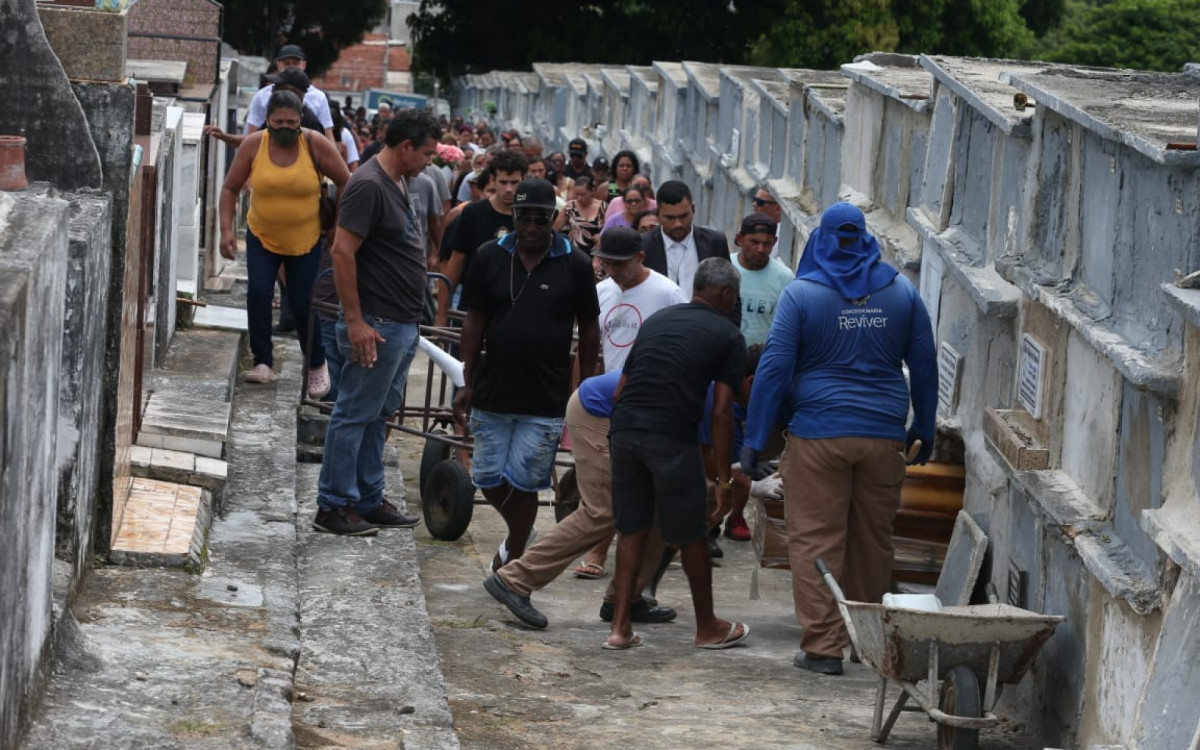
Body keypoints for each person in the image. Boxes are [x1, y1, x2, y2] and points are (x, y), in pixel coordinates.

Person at [741, 201, 938, 674]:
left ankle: (823, 648)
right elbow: (925, 364)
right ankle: (868, 646)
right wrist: (924, 427)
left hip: (819, 435)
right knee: (873, 540)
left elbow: (774, 369)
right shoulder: (902, 292)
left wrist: (754, 438)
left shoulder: (802, 295)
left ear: (822, 240)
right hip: (884, 435)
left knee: (816, 539)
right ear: (866, 238)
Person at [453, 178, 601, 571]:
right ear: (514, 216)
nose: (532, 227)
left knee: (525, 480)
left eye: (540, 219)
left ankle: (514, 551)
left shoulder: (576, 263)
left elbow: (589, 327)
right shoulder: (489, 256)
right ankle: (521, 535)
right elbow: (474, 319)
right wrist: (465, 379)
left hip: (546, 393)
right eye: (524, 218)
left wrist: (585, 384)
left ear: (554, 218)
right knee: (487, 478)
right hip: (493, 387)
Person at [605, 258, 750, 651]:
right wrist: (723, 480)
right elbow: (722, 412)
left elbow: (619, 391)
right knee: (693, 534)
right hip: (669, 435)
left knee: (632, 528)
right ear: (727, 295)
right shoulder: (729, 335)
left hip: (625, 429)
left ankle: (619, 628)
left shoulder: (658, 320)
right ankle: (708, 628)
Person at [312, 108, 443, 536]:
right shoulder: (369, 185)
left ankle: (368, 498)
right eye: (426, 153)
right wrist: (355, 321)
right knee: (353, 413)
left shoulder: (399, 181)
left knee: (378, 413)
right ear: (405, 147)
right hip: (376, 321)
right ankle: (333, 504)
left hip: (401, 321)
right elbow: (342, 252)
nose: (429, 162)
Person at [482, 370, 678, 630]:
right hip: (598, 411)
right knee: (603, 510)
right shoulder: (715, 396)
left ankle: (626, 598)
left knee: (658, 505)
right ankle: (514, 579)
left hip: (633, 418)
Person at [571, 226, 686, 581]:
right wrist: (579, 390)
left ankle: (654, 549)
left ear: (640, 258)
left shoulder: (668, 293)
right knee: (608, 481)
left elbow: (686, 344)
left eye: (620, 264)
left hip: (653, 401)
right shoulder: (601, 292)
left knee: (644, 482)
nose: (613, 271)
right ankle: (599, 549)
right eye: (607, 263)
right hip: (608, 399)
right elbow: (589, 344)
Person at [217, 89, 349, 397]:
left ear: (301, 120)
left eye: (291, 122)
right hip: (262, 235)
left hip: (305, 240)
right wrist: (226, 230)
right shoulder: (254, 145)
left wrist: (338, 226)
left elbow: (346, 181)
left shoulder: (315, 144)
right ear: (267, 120)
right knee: (259, 292)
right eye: (278, 122)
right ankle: (262, 360)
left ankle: (316, 361)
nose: (285, 128)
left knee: (302, 302)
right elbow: (229, 188)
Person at [436, 149, 528, 326]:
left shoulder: (529, 217)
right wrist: (441, 314)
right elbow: (455, 264)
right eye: (503, 182)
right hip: (473, 306)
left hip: (514, 309)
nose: (509, 189)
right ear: (493, 179)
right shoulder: (473, 213)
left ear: (523, 180)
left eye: (514, 182)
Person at [641, 180, 730, 298]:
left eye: (684, 216)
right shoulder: (643, 246)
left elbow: (729, 291)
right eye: (670, 218)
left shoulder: (715, 243)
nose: (678, 224)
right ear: (657, 213)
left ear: (693, 209)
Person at [244, 46, 334, 141]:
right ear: (278, 65)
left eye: (296, 63)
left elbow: (327, 135)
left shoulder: (318, 98)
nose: (291, 67)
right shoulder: (261, 96)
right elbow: (252, 134)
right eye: (286, 63)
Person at [732, 213, 793, 347]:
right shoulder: (724, 266)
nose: (760, 249)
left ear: (775, 242)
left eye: (767, 244)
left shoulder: (785, 278)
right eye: (754, 242)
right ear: (740, 239)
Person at [556, 175, 607, 257]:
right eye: (577, 194)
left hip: (597, 254)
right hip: (575, 253)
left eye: (583, 195)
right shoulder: (570, 207)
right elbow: (555, 229)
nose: (579, 198)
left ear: (592, 191)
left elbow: (609, 229)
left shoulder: (603, 207)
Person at [753, 187, 784, 258]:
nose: (754, 204)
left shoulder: (781, 235)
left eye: (759, 202)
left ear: (777, 209)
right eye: (754, 200)